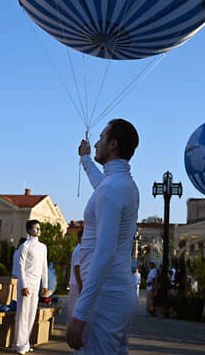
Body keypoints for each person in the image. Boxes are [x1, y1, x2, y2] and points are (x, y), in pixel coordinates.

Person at [66, 119, 140, 354]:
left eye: (101, 138)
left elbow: (105, 252)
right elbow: (102, 185)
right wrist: (86, 159)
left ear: (112, 144)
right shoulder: (121, 184)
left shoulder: (111, 189)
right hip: (114, 293)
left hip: (104, 298)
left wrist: (80, 312)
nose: (96, 143)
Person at [12, 219, 48, 355]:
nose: (38, 230)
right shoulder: (25, 246)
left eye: (39, 228)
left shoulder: (43, 247)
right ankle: (20, 344)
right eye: (35, 228)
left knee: (32, 313)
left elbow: (44, 266)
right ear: (28, 231)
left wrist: (45, 284)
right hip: (26, 281)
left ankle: (25, 342)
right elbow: (21, 266)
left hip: (36, 282)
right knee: (23, 312)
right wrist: (23, 284)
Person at [67, 229, 83, 322]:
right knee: (74, 310)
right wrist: (80, 285)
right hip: (76, 283)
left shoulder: (79, 249)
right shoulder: (79, 250)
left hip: (76, 282)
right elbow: (77, 268)